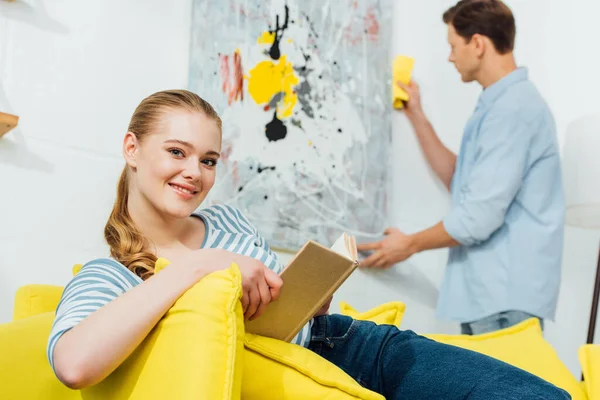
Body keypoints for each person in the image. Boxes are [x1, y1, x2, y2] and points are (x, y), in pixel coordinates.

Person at [47, 89, 569, 399]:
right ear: (131, 149)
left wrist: (306, 295)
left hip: (347, 345)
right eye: (177, 151)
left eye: (208, 160)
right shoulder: (110, 274)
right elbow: (73, 366)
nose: (194, 173)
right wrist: (202, 265)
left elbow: (283, 311)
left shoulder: (227, 217)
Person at [358, 0, 565, 335]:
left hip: (504, 302)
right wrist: (417, 115)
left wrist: (409, 244)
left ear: (478, 44)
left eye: (453, 46)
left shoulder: (514, 109)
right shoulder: (497, 106)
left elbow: (479, 216)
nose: (451, 57)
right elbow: (462, 182)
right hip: (490, 296)